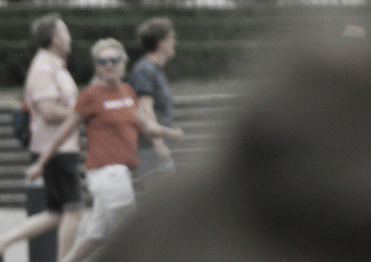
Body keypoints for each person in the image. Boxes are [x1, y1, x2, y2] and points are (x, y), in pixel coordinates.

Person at [94, 28, 371, 262]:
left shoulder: (172, 223)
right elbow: (145, 110)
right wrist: (160, 139)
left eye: (114, 60)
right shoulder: (173, 225)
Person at [27, 38, 183, 262]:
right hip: (105, 173)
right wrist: (41, 163)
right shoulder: (91, 96)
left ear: (123, 63)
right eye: (103, 61)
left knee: (96, 236)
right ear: (97, 66)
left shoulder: (128, 91)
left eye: (113, 60)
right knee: (131, 234)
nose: (108, 65)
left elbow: (144, 125)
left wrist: (169, 133)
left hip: (122, 173)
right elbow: (64, 132)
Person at [0, 13, 82, 262]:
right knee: (73, 209)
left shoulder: (53, 65)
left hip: (62, 146)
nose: (69, 37)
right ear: (55, 40)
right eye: (65, 32)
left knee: (57, 212)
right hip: (56, 148)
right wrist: (81, 115)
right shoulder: (43, 68)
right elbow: (48, 111)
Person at [124, 17, 178, 187]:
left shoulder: (155, 69)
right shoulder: (145, 70)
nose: (175, 42)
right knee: (164, 204)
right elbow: (144, 109)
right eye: (172, 38)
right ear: (161, 43)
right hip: (150, 149)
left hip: (155, 148)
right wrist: (159, 144)